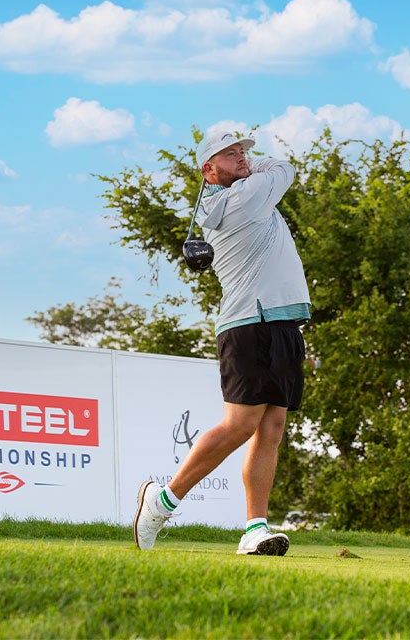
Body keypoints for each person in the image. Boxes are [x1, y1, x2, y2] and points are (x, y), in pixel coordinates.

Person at [133, 128, 310, 556]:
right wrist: (254, 168)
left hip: (282, 322)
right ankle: (163, 500)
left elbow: (268, 170)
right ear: (207, 171)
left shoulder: (242, 192)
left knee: (272, 427)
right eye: (228, 155)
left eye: (242, 152)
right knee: (241, 425)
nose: (242, 158)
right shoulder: (242, 199)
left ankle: (255, 529)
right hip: (250, 324)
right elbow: (286, 168)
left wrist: (243, 166)